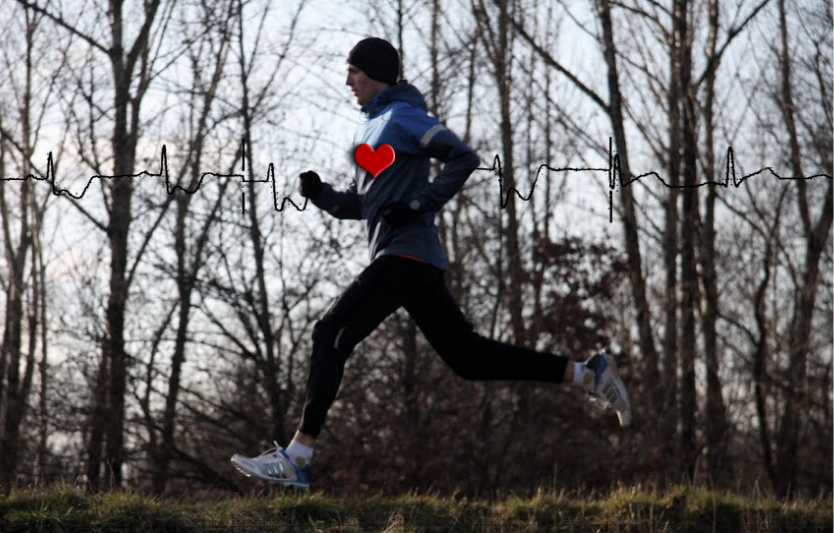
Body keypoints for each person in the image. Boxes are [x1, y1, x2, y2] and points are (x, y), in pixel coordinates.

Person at [230, 37, 632, 490]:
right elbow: (366, 206)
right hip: (405, 259)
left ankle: (297, 456)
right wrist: (321, 194)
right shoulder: (371, 128)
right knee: (468, 358)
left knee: (330, 331)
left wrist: (421, 202)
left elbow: (464, 157)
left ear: (377, 73)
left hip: (407, 254)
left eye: (354, 72)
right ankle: (588, 373)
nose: (347, 81)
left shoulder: (403, 116)